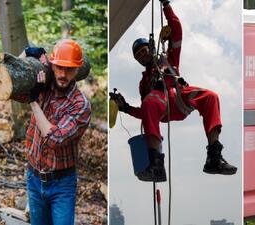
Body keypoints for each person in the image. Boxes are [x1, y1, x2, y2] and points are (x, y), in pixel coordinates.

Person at [111, 0, 237, 182]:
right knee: (150, 102)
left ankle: (214, 157)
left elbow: (176, 29)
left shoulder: (167, 59)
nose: (143, 56)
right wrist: (126, 108)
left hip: (178, 98)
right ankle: (156, 163)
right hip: (162, 106)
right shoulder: (144, 83)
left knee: (210, 97)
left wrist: (166, 5)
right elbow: (147, 114)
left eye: (144, 51)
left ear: (152, 48)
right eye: (139, 56)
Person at [24, 39, 91, 225]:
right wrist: (29, 53)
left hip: (62, 184)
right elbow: (14, 69)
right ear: (53, 65)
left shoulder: (80, 105)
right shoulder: (46, 78)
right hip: (34, 177)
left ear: (77, 70)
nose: (63, 74)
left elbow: (54, 138)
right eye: (59, 67)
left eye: (69, 69)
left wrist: (33, 101)